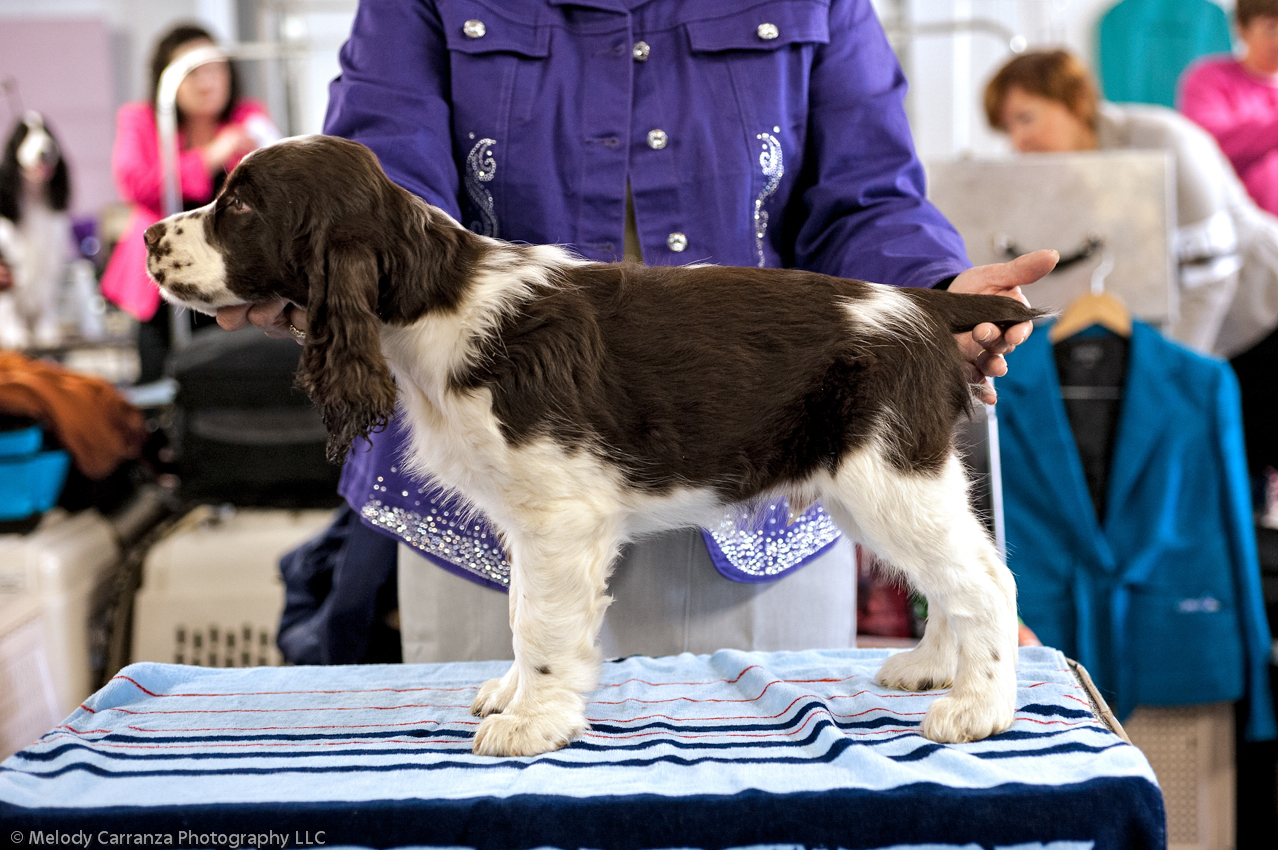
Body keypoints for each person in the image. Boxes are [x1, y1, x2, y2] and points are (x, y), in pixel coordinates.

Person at [218, 0, 1054, 663]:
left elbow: (868, 194)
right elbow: (376, 189)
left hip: (757, 485)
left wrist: (938, 295)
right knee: (507, 809)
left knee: (750, 815)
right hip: (494, 512)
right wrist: (302, 262)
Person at [985, 48, 1278, 358]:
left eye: (1025, 118)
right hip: (1214, 328)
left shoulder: (1165, 140)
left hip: (1263, 305)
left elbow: (1212, 272)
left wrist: (1172, 374)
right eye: (1008, 129)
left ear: (1074, 102)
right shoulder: (1069, 175)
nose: (1018, 141)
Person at [102, 22, 278, 383]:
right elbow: (136, 185)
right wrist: (212, 155)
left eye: (215, 68)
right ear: (167, 79)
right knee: (164, 385)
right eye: (192, 71)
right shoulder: (141, 120)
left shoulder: (250, 119)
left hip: (232, 281)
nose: (206, 82)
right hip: (161, 286)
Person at [1180, 0, 1278, 219]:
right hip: (1234, 223)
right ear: (1241, 29)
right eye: (1271, 28)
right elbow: (1209, 143)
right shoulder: (1208, 78)